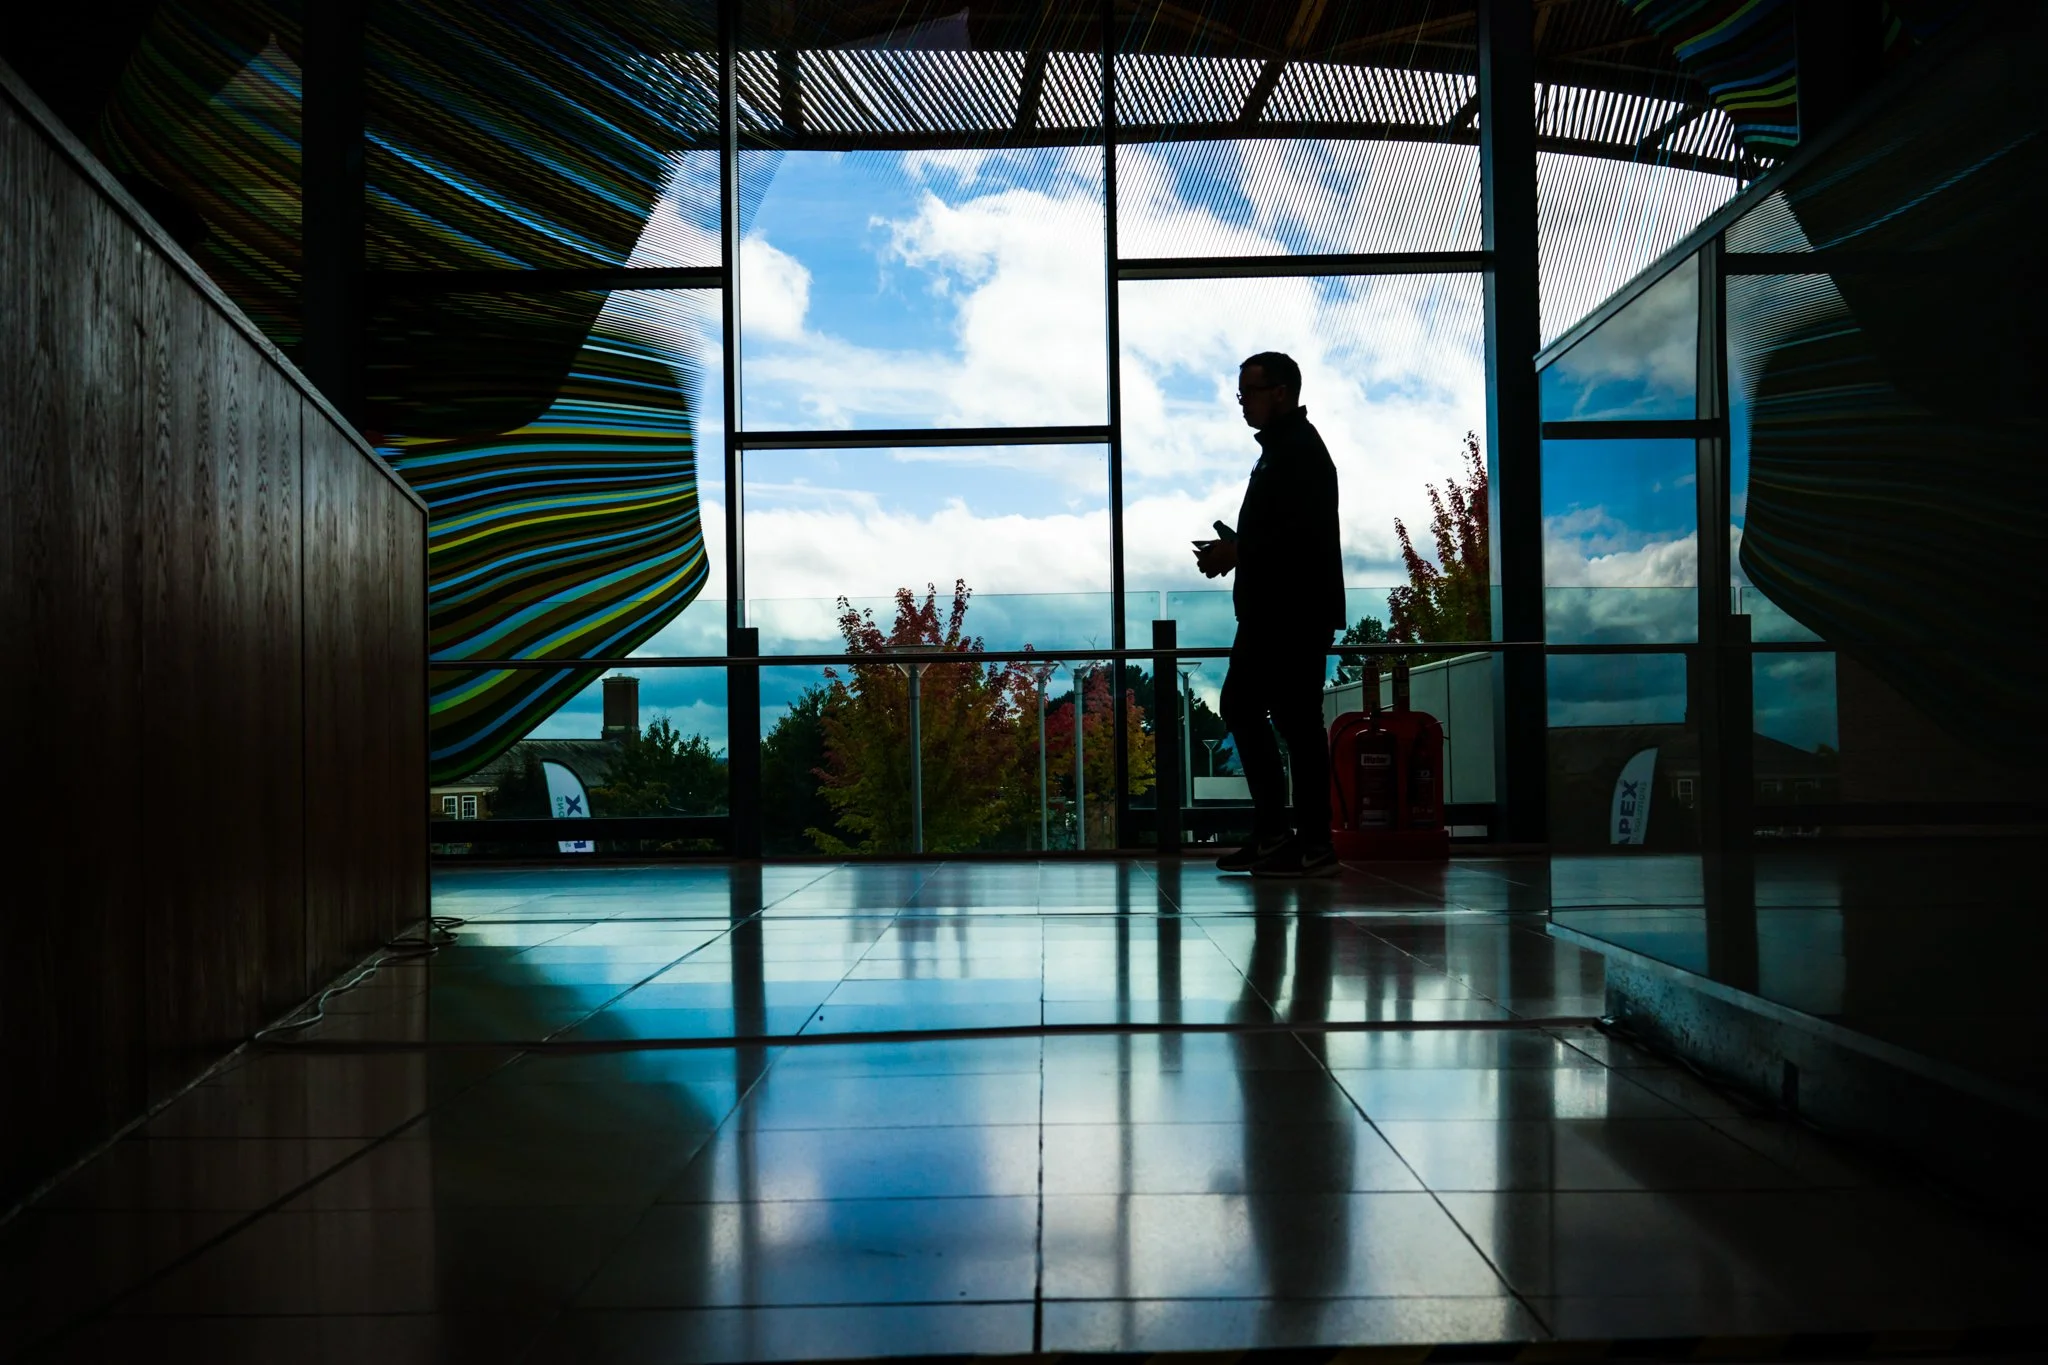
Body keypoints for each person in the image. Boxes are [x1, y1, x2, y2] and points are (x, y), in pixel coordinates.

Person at [1193, 352, 1345, 878]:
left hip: (1289, 613)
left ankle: (1297, 839)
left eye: (1249, 393)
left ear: (1279, 392)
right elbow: (1291, 534)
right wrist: (1239, 549)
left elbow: (1298, 537)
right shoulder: (1286, 450)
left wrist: (1238, 552)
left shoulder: (1296, 451)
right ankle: (1292, 838)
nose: (1243, 404)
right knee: (1284, 719)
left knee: (1277, 717)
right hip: (1283, 610)